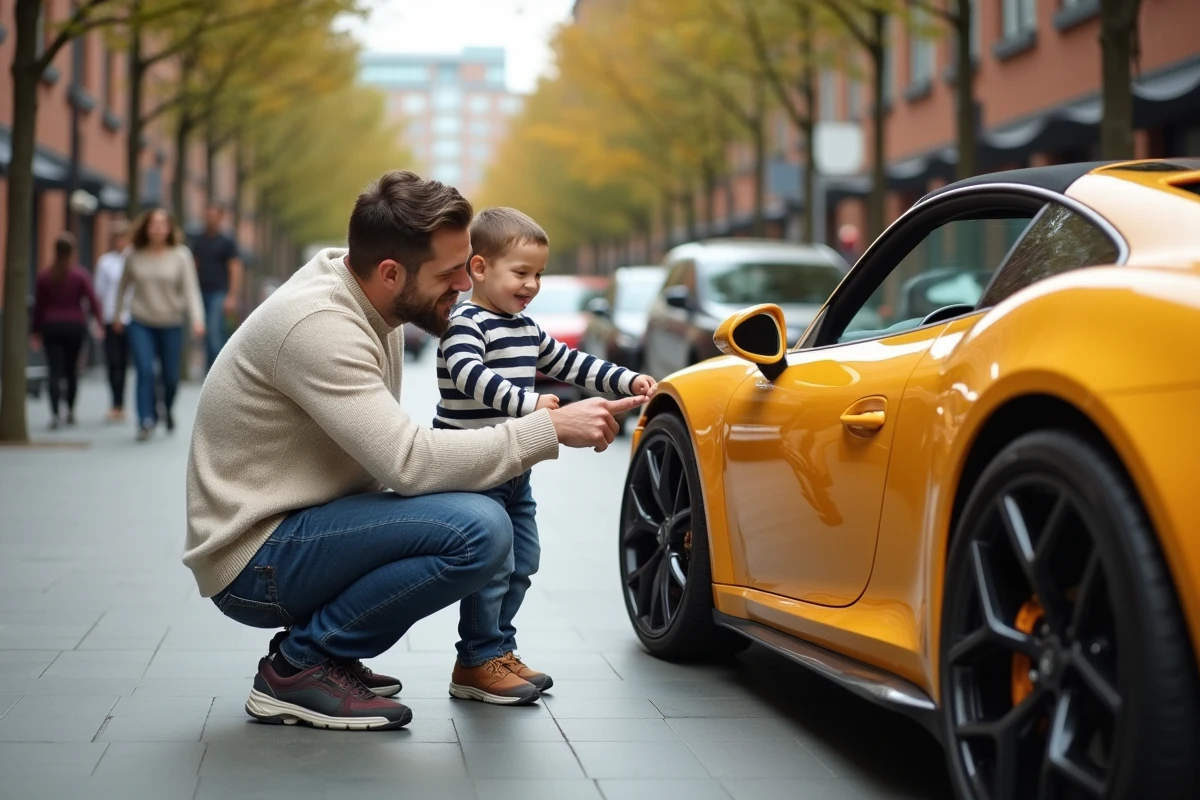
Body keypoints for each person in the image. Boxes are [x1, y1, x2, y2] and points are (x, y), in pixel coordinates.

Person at [184, 171, 646, 731]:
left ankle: (332, 652)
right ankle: (300, 666)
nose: (465, 283)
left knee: (479, 524)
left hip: (301, 526)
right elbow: (408, 463)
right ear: (390, 273)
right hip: (256, 561)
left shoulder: (376, 301)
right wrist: (546, 428)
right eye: (450, 273)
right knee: (480, 529)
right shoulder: (321, 326)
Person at [434, 207, 656, 705]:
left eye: (538, 274)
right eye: (521, 273)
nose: (531, 285)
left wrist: (628, 380)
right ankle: (477, 659)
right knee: (494, 568)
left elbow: (573, 363)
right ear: (479, 268)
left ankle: (498, 650)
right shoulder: (465, 322)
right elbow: (470, 376)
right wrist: (530, 404)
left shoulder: (526, 328)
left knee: (522, 564)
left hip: (515, 471)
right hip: (475, 468)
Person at [114, 207, 205, 441]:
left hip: (171, 322)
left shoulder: (181, 255)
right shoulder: (133, 254)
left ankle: (166, 408)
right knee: (145, 370)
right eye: (153, 223)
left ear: (170, 228)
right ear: (146, 227)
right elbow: (122, 286)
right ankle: (145, 420)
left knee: (170, 378)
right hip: (140, 320)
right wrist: (117, 314)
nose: (158, 228)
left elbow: (191, 290)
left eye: (163, 223)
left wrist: (197, 319)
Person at [30, 232, 104, 429]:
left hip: (51, 327)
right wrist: (99, 322)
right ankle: (70, 410)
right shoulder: (80, 275)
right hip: (74, 327)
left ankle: (55, 414)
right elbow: (93, 300)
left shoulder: (45, 276)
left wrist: (35, 331)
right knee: (71, 370)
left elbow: (39, 307)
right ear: (73, 252)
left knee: (54, 370)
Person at [189, 203, 242, 370]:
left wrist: (232, 296)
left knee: (214, 331)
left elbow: (234, 269)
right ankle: (209, 370)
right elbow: (193, 266)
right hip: (200, 291)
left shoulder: (227, 242)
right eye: (208, 215)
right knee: (204, 332)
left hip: (219, 292)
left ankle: (218, 369)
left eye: (214, 215)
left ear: (220, 217)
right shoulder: (198, 240)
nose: (210, 218)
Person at [93, 220, 133, 422]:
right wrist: (98, 320)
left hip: (130, 318)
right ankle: (115, 402)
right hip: (109, 317)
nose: (120, 241)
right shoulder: (105, 262)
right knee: (113, 362)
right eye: (117, 238)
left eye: (123, 237)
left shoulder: (134, 259)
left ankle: (121, 403)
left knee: (124, 363)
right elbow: (98, 292)